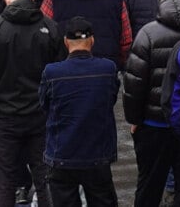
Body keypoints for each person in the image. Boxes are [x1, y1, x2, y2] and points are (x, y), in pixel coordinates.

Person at [0, 0, 61, 207]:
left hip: (5, 115)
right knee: (46, 178)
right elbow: (58, 74)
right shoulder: (50, 27)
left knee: (3, 180)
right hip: (41, 116)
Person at [123, 0, 180, 207]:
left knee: (148, 186)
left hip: (153, 124)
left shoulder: (148, 33)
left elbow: (134, 83)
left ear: (161, 1)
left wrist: (135, 120)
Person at [40, 16, 120, 207]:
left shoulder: (52, 72)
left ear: (66, 42)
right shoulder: (107, 69)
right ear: (92, 41)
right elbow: (111, 99)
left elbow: (44, 105)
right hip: (97, 154)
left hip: (62, 154)